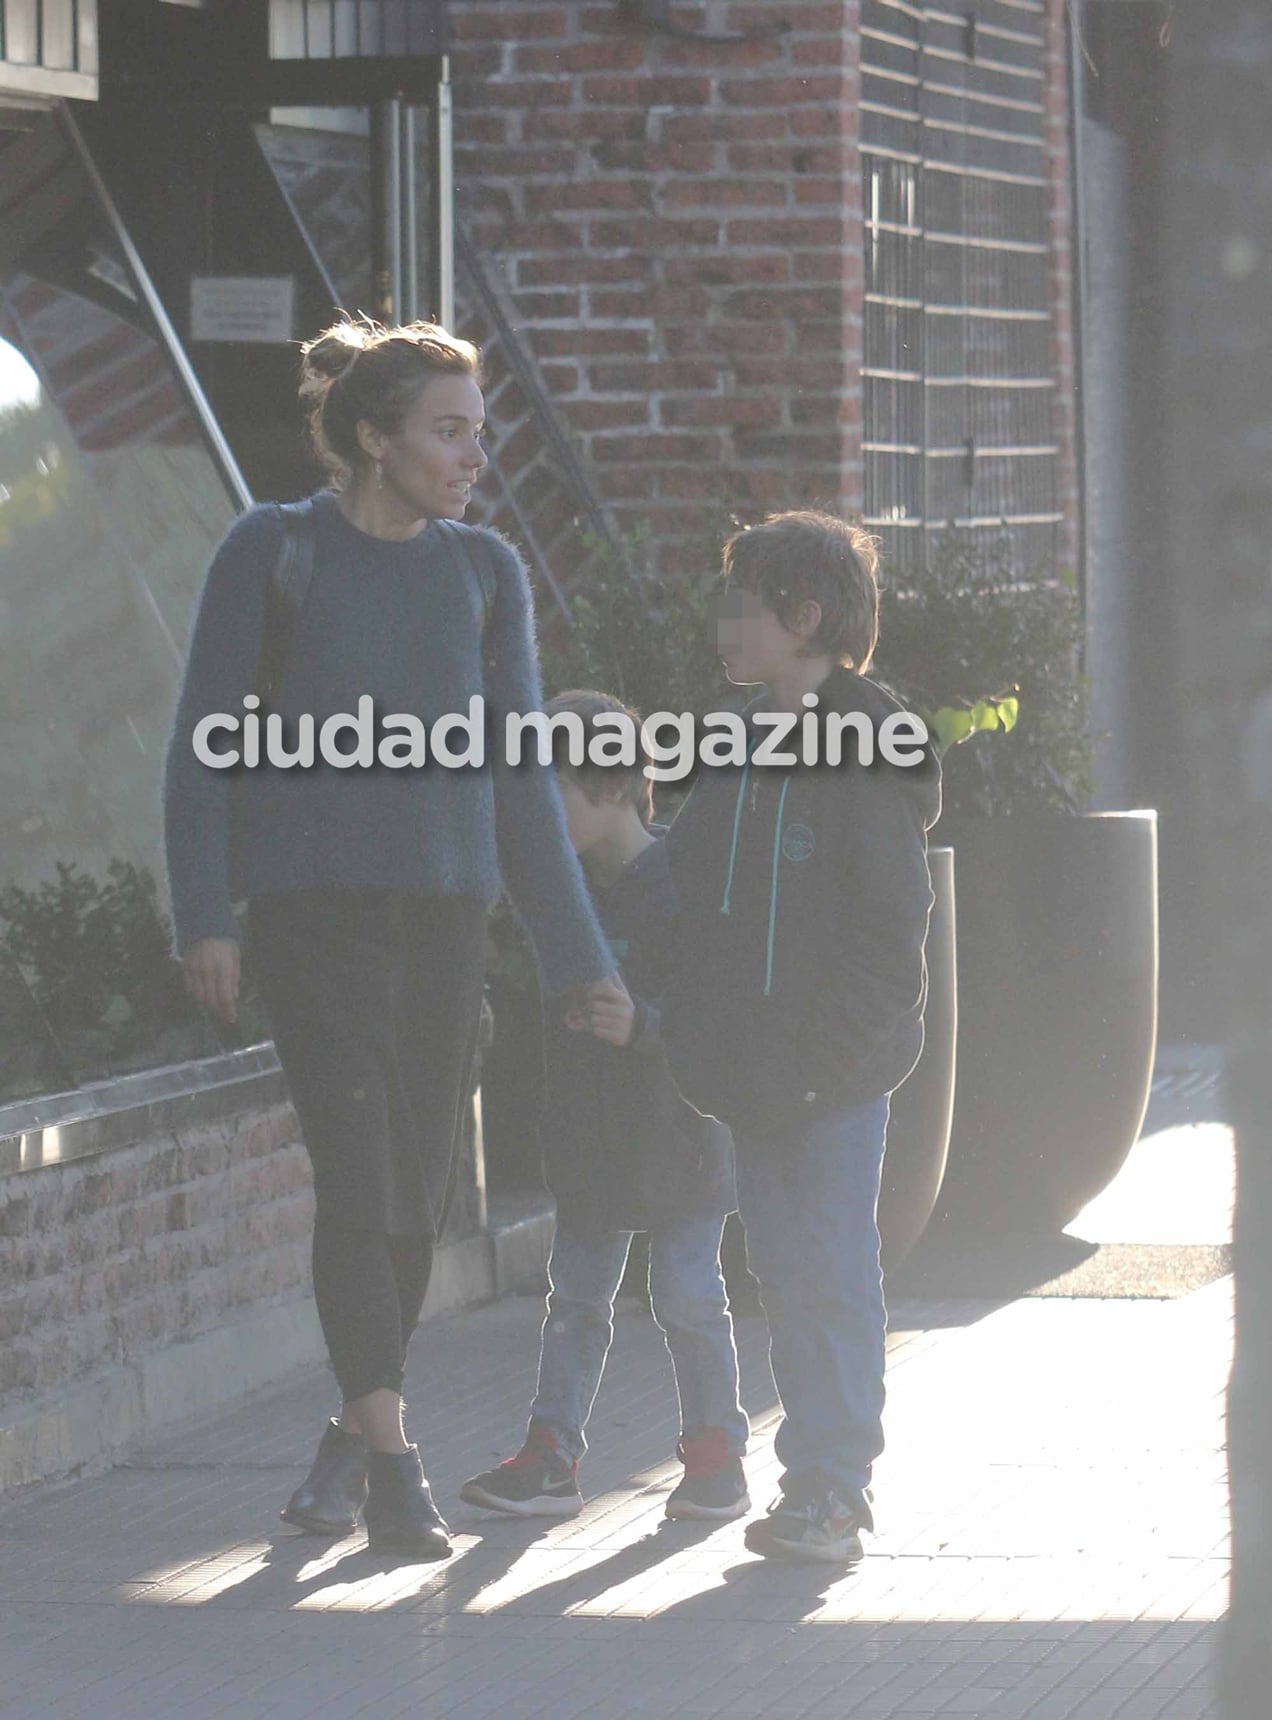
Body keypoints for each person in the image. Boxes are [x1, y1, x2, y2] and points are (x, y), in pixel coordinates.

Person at [163, 318, 616, 1560]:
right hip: (312, 922)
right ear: (375, 437)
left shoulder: (483, 575)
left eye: (481, 433)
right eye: (451, 432)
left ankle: (347, 1434)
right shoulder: (274, 551)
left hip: (444, 924)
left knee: (417, 1199)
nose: (477, 456)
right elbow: (202, 741)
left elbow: (525, 780)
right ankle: (395, 1465)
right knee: (358, 1181)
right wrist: (204, 912)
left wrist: (579, 961)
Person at [661, 512, 940, 1565]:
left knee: (825, 1268)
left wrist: (820, 1063)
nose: (724, 622)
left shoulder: (867, 746)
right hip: (750, 1074)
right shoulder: (733, 739)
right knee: (783, 1271)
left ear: (804, 616)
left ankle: (832, 1489)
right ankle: (812, 1484)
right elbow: (680, 884)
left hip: (826, 1080)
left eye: (743, 600)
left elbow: (891, 929)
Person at [460, 691, 749, 1522]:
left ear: (616, 784)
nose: (539, 819)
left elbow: (716, 1016)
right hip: (594, 1139)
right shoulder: (561, 897)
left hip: (682, 1135)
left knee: (688, 1296)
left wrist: (644, 1028)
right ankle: (552, 1455)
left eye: (553, 792)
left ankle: (715, 1455)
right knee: (576, 1299)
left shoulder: (683, 884)